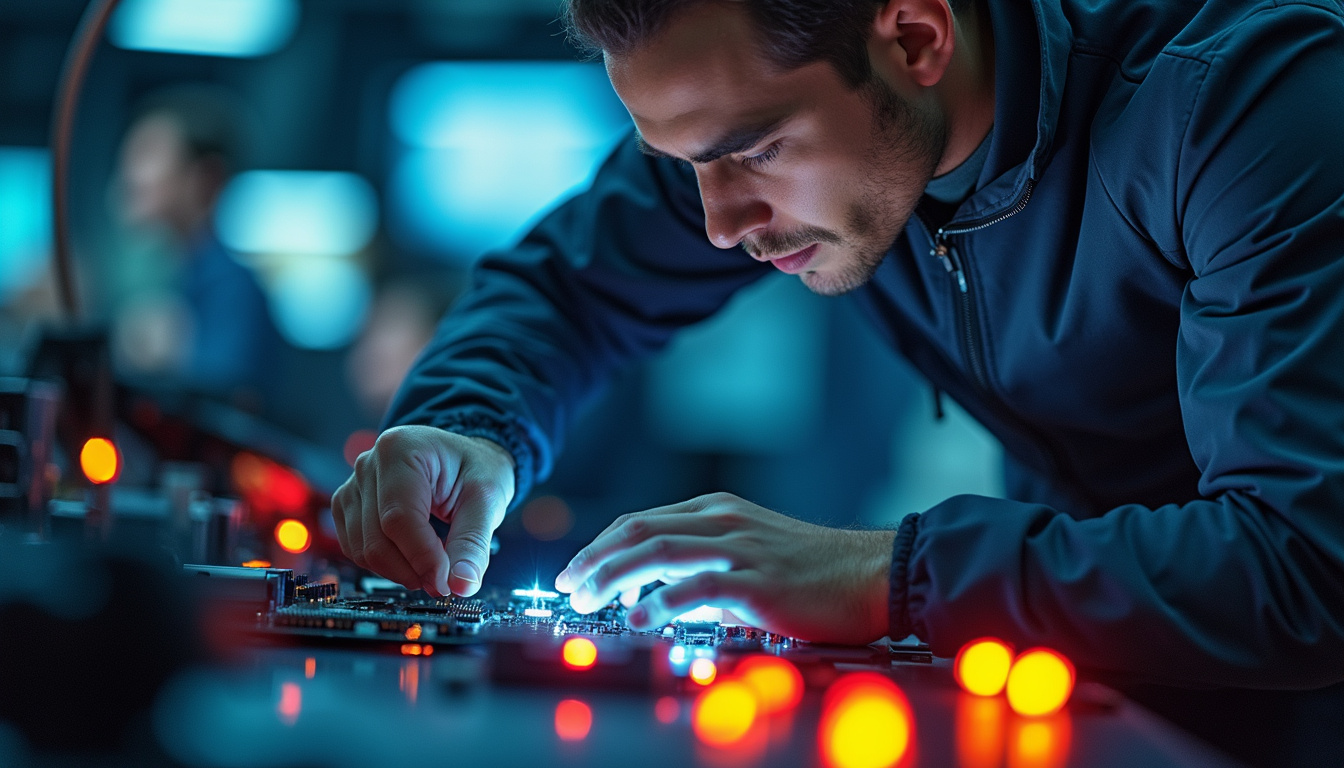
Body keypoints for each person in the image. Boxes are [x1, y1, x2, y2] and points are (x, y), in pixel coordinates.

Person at [332, 0, 1344, 687]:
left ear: (913, 37)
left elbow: (1305, 566)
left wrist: (885, 575)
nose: (720, 221)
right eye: (681, 164)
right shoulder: (761, 115)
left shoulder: (1253, 110)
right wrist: (464, 425)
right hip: (1083, 672)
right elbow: (568, 287)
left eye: (756, 152)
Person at [113, 87, 279, 406]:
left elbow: (221, 398)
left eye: (147, 155)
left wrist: (169, 350)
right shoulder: (169, 276)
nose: (130, 174)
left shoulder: (234, 289)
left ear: (206, 177)